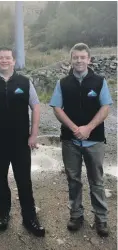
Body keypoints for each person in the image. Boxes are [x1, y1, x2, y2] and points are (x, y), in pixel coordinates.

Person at [0, 47, 45, 237]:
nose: (4, 60)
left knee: (24, 181)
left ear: (14, 61)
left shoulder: (25, 82)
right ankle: (3, 214)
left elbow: (36, 107)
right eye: (1, 58)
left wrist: (33, 134)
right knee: (0, 181)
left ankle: (30, 218)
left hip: (20, 142)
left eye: (8, 58)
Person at [49, 43, 113, 237]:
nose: (79, 61)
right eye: (75, 57)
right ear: (71, 60)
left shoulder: (99, 81)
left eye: (82, 57)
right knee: (73, 180)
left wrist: (88, 128)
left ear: (89, 59)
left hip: (94, 141)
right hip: (70, 141)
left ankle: (101, 219)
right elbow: (57, 108)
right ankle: (76, 215)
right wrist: (75, 129)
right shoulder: (62, 83)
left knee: (97, 181)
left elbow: (106, 107)